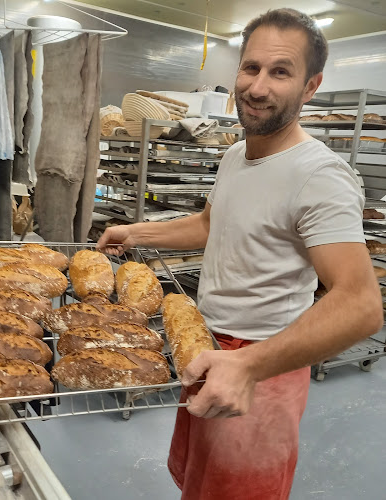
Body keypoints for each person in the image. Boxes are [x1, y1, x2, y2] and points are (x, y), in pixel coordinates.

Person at [97, 8, 383, 500]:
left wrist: (248, 368)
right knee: (201, 482)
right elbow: (211, 225)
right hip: (208, 344)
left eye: (280, 72)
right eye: (250, 68)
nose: (258, 86)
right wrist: (135, 232)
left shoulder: (320, 175)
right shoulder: (236, 153)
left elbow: (360, 305)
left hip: (263, 363)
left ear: (309, 86)